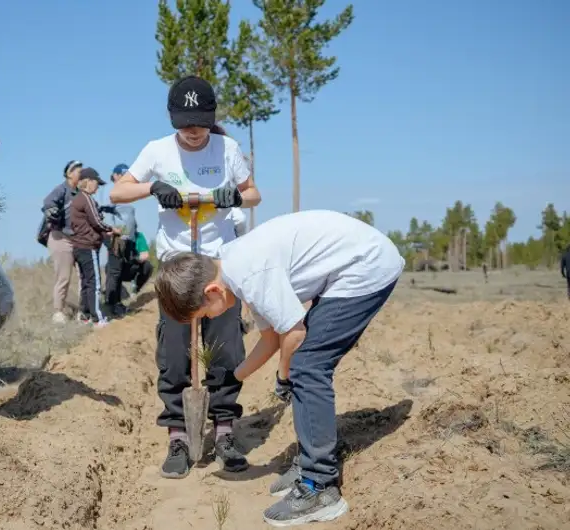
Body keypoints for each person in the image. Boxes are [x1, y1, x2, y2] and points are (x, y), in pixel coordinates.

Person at [153, 209, 404, 526]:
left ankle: (320, 486)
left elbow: (294, 334)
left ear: (212, 292)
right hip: (351, 265)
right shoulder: (235, 267)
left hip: (367, 267)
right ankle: (309, 464)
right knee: (301, 364)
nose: (208, 321)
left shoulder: (250, 274)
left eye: (203, 315)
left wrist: (285, 376)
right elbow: (272, 337)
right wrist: (236, 375)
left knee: (309, 366)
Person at [109, 75, 261, 479]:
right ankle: (178, 435)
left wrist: (233, 196)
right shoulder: (156, 151)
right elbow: (116, 194)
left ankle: (225, 430)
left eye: (200, 123)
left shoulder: (227, 148)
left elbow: (253, 193)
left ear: (211, 118)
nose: (193, 132)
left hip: (220, 265)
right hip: (177, 268)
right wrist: (152, 188)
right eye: (184, 124)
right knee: (174, 352)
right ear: (172, 119)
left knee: (226, 348)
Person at [69, 168, 119, 326]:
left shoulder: (76, 199)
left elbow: (87, 224)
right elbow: (96, 221)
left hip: (78, 246)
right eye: (97, 183)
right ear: (88, 181)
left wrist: (103, 232)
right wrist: (111, 229)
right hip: (88, 246)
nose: (98, 187)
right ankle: (98, 318)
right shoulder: (86, 198)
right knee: (95, 282)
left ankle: (84, 316)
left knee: (85, 281)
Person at [42, 161, 84, 323]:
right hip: (61, 238)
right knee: (64, 276)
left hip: (79, 239)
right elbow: (48, 202)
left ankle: (84, 310)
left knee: (85, 275)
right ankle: (58, 312)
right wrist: (51, 210)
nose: (81, 175)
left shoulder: (81, 192)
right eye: (79, 172)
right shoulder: (61, 190)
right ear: (69, 174)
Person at [101, 164, 139, 317]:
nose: (125, 177)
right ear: (115, 175)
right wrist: (111, 230)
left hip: (126, 238)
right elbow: (103, 208)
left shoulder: (125, 191)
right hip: (116, 238)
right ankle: (111, 304)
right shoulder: (111, 188)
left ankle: (117, 302)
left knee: (121, 270)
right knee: (114, 271)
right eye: (122, 174)